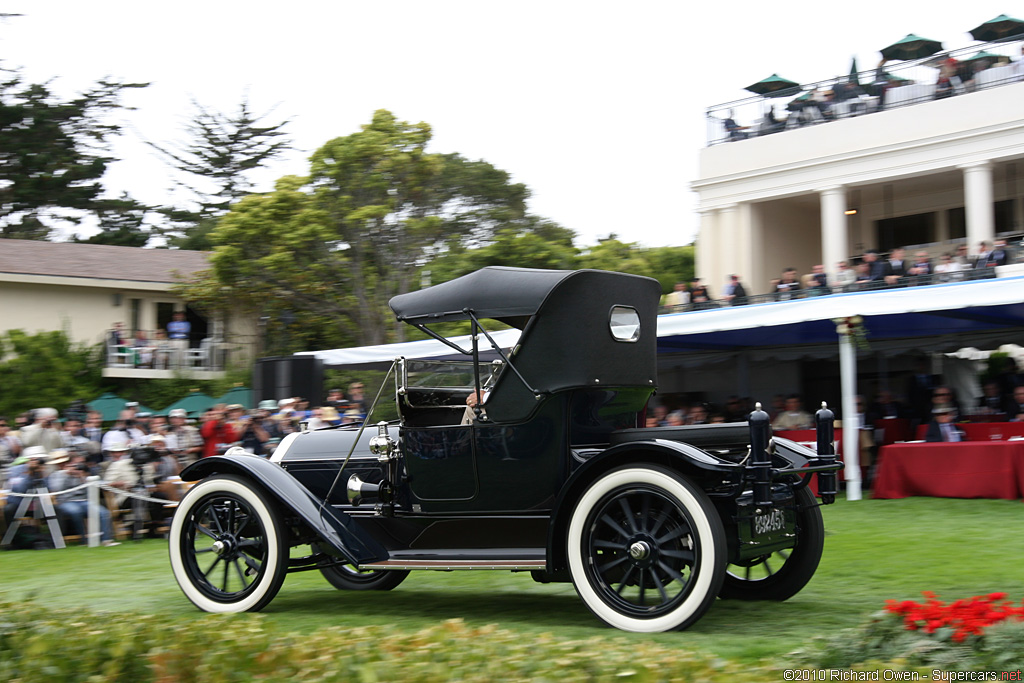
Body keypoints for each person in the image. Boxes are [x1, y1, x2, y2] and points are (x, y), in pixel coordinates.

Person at [47, 451, 119, 546]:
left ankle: (106, 539)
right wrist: (66, 475)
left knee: (103, 512)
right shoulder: (55, 475)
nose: (63, 464)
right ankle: (83, 540)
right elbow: (57, 489)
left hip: (84, 501)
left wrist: (82, 477)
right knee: (76, 512)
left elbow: (93, 487)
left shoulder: (81, 471)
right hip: (66, 502)